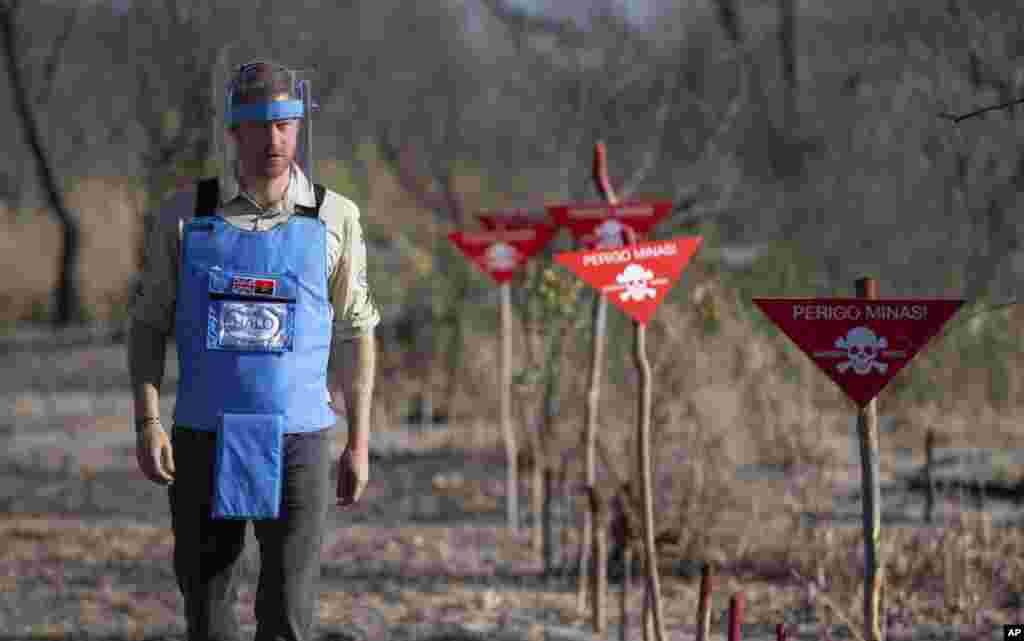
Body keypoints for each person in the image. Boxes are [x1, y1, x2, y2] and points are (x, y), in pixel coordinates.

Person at [128, 60, 379, 641]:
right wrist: (147, 422)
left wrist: (359, 443)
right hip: (203, 438)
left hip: (301, 440)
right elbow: (147, 325)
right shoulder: (186, 215)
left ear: (298, 126)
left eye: (285, 124)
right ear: (234, 131)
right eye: (259, 125)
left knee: (289, 615)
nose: (273, 139)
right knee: (208, 609)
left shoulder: (335, 216)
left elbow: (356, 330)